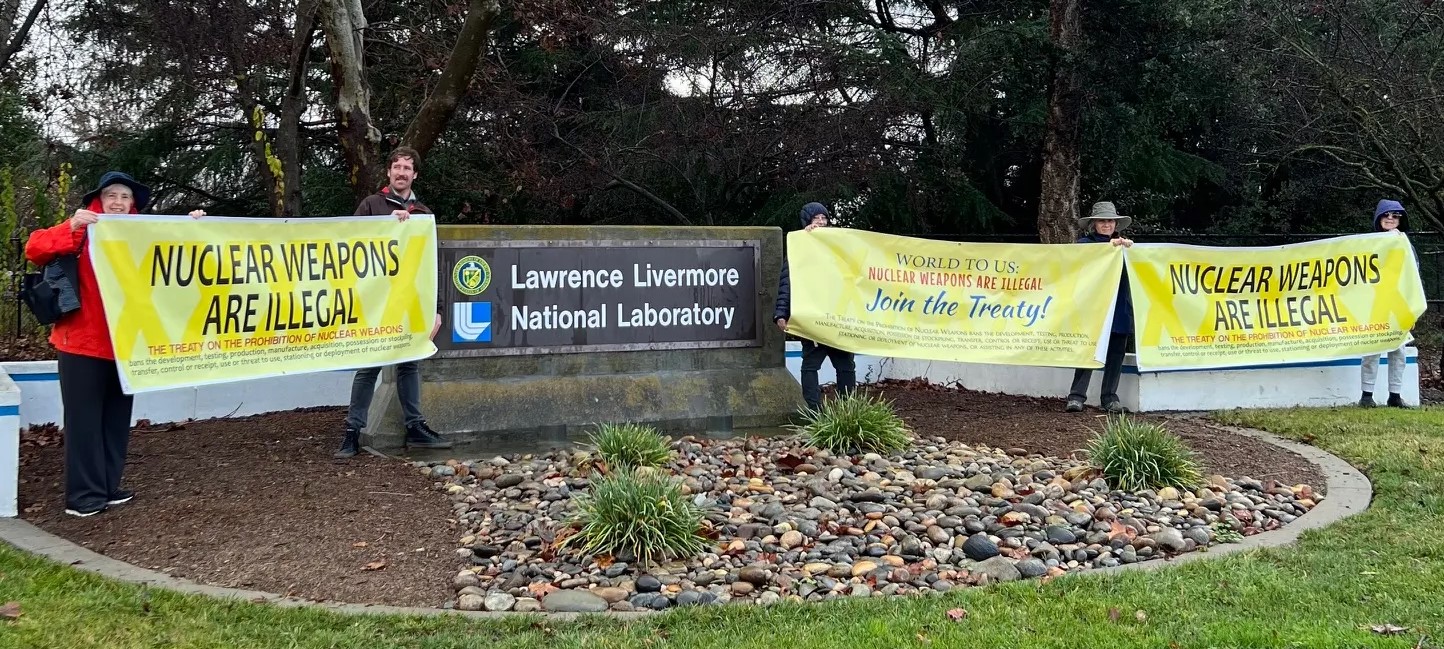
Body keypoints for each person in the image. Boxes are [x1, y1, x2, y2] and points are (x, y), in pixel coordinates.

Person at [24, 172, 203, 517]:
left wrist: (194, 225)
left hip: (126, 344)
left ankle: (107, 485)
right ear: (100, 200)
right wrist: (72, 226)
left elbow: (179, 249)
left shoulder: (141, 234)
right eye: (111, 195)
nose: (118, 202)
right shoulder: (82, 230)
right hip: (81, 344)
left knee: (116, 419)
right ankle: (84, 496)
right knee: (84, 420)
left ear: (132, 204)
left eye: (124, 196)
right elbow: (35, 248)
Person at [336, 147, 451, 457]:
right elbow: (350, 247)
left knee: (409, 365)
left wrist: (436, 310)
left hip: (410, 303)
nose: (401, 172)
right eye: (396, 167)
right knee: (369, 367)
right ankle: (352, 433)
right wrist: (387, 225)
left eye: (407, 168)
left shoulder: (423, 214)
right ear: (388, 172)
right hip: (375, 304)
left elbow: (431, 266)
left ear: (415, 175)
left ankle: (415, 427)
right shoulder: (371, 205)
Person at [774, 201, 856, 411]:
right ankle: (814, 411)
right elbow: (787, 283)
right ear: (807, 222)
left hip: (837, 318)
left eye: (824, 218)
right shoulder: (798, 248)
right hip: (812, 320)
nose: (820, 222)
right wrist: (781, 313)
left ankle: (847, 409)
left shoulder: (837, 246)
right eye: (816, 218)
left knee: (845, 365)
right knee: (811, 365)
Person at [1066, 201, 1134, 414]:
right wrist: (1109, 248)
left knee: (1116, 354)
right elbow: (1080, 259)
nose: (1107, 224)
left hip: (1119, 308)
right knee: (1088, 351)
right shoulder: (1085, 244)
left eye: (1110, 221)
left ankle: (1109, 398)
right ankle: (1076, 396)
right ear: (1094, 224)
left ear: (1116, 224)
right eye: (1102, 221)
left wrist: (1130, 251)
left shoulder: (1126, 247)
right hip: (1094, 309)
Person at [1360, 199, 1412, 408]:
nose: (1390, 218)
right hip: (1375, 302)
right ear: (1379, 217)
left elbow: (1412, 279)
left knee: (1399, 350)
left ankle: (1395, 396)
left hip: (1398, 303)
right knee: (1372, 349)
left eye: (1395, 215)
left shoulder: (1406, 245)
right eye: (1386, 214)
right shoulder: (1368, 244)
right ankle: (1366, 395)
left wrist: (1411, 310)